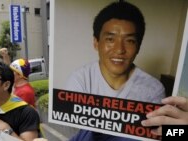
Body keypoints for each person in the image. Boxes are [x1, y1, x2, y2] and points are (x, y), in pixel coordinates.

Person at [66, 1, 165, 141]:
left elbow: (161, 134)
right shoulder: (80, 79)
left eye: (129, 41)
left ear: (138, 47)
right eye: (110, 39)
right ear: (96, 43)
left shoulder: (153, 89)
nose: (119, 50)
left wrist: (178, 131)